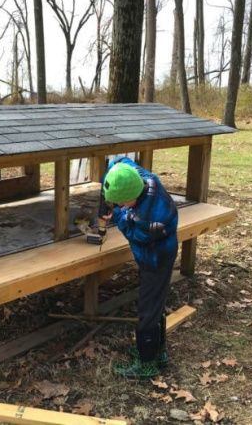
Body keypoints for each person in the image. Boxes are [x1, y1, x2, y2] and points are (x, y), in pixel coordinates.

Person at [98, 156, 178, 378]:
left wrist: (117, 216)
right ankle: (157, 351)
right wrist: (107, 192)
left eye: (123, 203)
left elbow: (134, 233)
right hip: (153, 254)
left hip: (156, 259)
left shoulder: (151, 218)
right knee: (155, 305)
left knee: (147, 311)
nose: (121, 206)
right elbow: (118, 162)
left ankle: (147, 364)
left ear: (133, 196)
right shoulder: (144, 178)